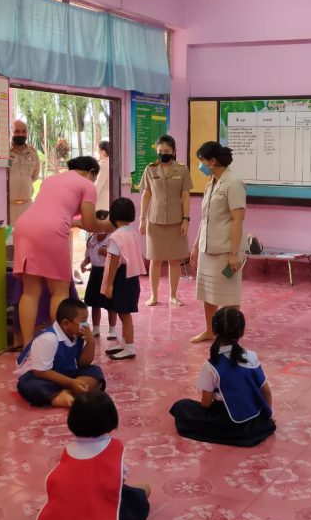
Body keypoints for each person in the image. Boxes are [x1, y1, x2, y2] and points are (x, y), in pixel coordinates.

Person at [13, 155, 111, 347]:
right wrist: (109, 225)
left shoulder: (51, 180)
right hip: (51, 232)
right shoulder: (87, 184)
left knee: (30, 292)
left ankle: (27, 346)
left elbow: (52, 211)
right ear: (91, 173)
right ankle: (58, 344)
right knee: (59, 291)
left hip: (24, 226)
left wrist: (72, 222)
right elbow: (90, 224)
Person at [35, 390, 150, 520]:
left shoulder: (68, 449)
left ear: (72, 420)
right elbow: (120, 479)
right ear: (111, 419)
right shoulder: (114, 447)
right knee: (143, 491)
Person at [170, 307, 275, 447]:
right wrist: (268, 416)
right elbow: (266, 391)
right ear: (242, 331)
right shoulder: (252, 356)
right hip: (255, 421)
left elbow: (206, 403)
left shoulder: (211, 365)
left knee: (181, 406)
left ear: (214, 330)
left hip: (228, 421)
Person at [190, 141, 246, 343]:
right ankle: (210, 331)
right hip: (207, 248)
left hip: (225, 250)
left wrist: (234, 253)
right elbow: (205, 218)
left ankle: (231, 338)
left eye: (202, 161)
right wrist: (196, 246)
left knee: (229, 296)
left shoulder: (233, 182)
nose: (201, 165)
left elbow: (237, 219)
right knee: (208, 293)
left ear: (212, 161)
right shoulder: (211, 182)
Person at [16, 298, 105, 409]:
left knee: (95, 370)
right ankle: (57, 398)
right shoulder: (48, 339)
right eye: (83, 321)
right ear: (66, 324)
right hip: (41, 376)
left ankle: (67, 393)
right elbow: (40, 372)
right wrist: (71, 383)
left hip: (65, 374)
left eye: (86, 320)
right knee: (32, 387)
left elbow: (82, 364)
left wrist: (91, 342)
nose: (86, 325)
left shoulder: (76, 334)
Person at [140, 135, 193, 307]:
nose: (163, 154)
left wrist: (186, 219)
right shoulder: (150, 169)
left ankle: (173, 296)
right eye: (160, 151)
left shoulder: (182, 170)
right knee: (155, 260)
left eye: (167, 151)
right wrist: (142, 219)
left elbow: (185, 196)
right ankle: (154, 296)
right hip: (155, 221)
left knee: (174, 260)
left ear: (174, 152)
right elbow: (146, 194)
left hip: (176, 221)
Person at [100, 197, 145, 361]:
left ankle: (130, 347)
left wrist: (109, 285)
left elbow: (114, 262)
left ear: (113, 216)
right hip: (132, 277)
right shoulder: (133, 233)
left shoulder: (116, 236)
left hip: (121, 277)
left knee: (124, 314)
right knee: (123, 312)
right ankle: (125, 343)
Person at [80, 210, 119, 343]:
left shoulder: (113, 239)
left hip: (108, 272)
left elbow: (118, 256)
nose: (102, 226)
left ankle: (112, 329)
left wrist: (107, 252)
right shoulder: (91, 239)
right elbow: (88, 256)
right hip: (95, 273)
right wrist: (84, 263)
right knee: (94, 303)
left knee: (110, 303)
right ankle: (96, 328)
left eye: (104, 222)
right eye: (99, 222)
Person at [8, 119, 40, 224]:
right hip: (8, 205)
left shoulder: (33, 154)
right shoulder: (4, 152)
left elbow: (34, 176)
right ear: (10, 132)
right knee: (8, 234)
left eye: (24, 131)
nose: (21, 134)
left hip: (27, 205)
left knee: (27, 232)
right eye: (17, 131)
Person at [96, 140, 111, 211]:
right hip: (107, 200)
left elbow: (98, 185)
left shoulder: (104, 165)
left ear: (103, 152)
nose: (97, 153)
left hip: (101, 201)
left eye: (97, 151)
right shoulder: (110, 163)